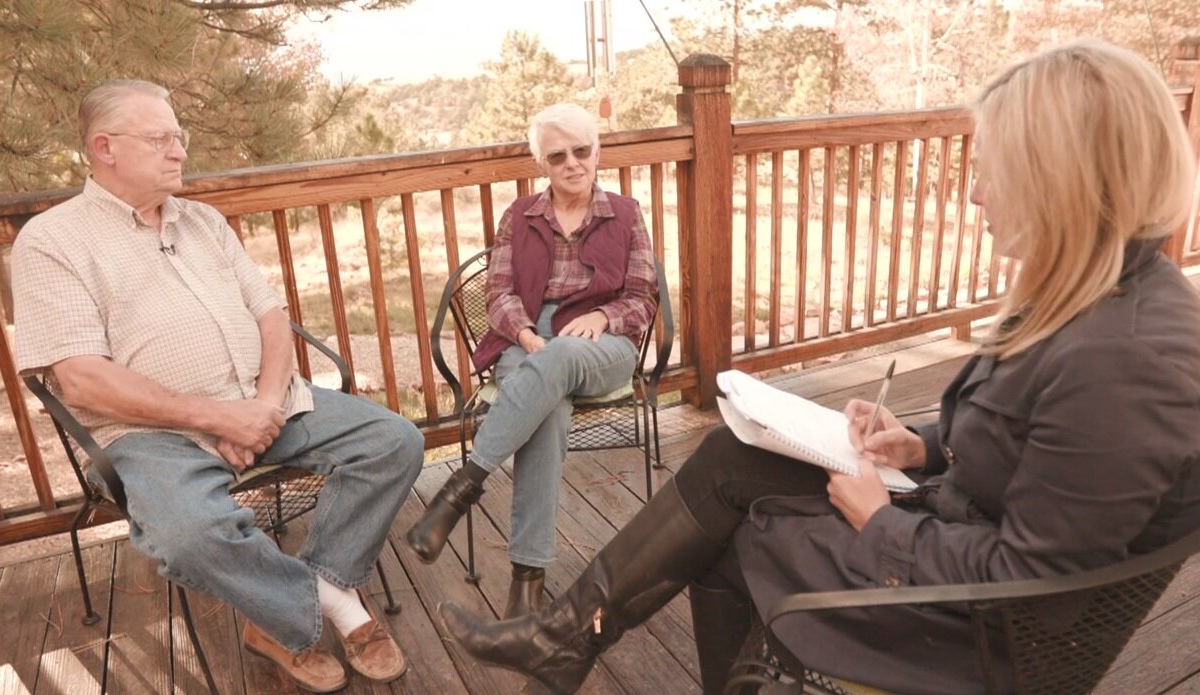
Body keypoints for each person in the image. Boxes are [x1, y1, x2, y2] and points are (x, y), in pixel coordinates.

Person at [435, 39, 1200, 695]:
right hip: (950, 536)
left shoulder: (1126, 362)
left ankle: (590, 641)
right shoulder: (1091, 293)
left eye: (991, 170)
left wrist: (882, 523)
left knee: (738, 533)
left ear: (1060, 178)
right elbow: (1029, 443)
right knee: (733, 457)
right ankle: (566, 634)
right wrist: (920, 444)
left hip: (970, 630)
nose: (973, 194)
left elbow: (1035, 588)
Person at [11, 80, 424, 694]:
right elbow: (82, 380)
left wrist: (261, 406)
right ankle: (322, 612)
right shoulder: (52, 241)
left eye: (179, 136)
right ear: (105, 148)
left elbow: (271, 318)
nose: (179, 151)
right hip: (150, 435)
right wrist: (217, 419)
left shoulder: (202, 220)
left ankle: (294, 601)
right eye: (161, 139)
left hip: (264, 402)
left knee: (394, 441)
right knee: (188, 536)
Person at [406, 102, 658, 618]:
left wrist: (604, 316)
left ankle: (462, 488)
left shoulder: (626, 214)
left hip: (604, 344)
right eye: (557, 155)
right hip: (526, 340)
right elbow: (498, 293)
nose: (572, 163)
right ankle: (527, 585)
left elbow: (642, 296)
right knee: (550, 409)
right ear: (541, 163)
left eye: (581, 151)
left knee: (562, 356)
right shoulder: (518, 216)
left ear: (597, 152)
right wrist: (523, 333)